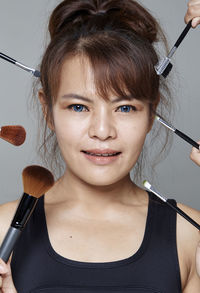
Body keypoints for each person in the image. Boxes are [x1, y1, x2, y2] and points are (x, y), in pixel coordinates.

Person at [0, 0, 200, 292]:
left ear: (152, 113)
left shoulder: (191, 234)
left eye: (126, 108)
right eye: (79, 107)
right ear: (48, 112)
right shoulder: (3, 227)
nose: (103, 131)